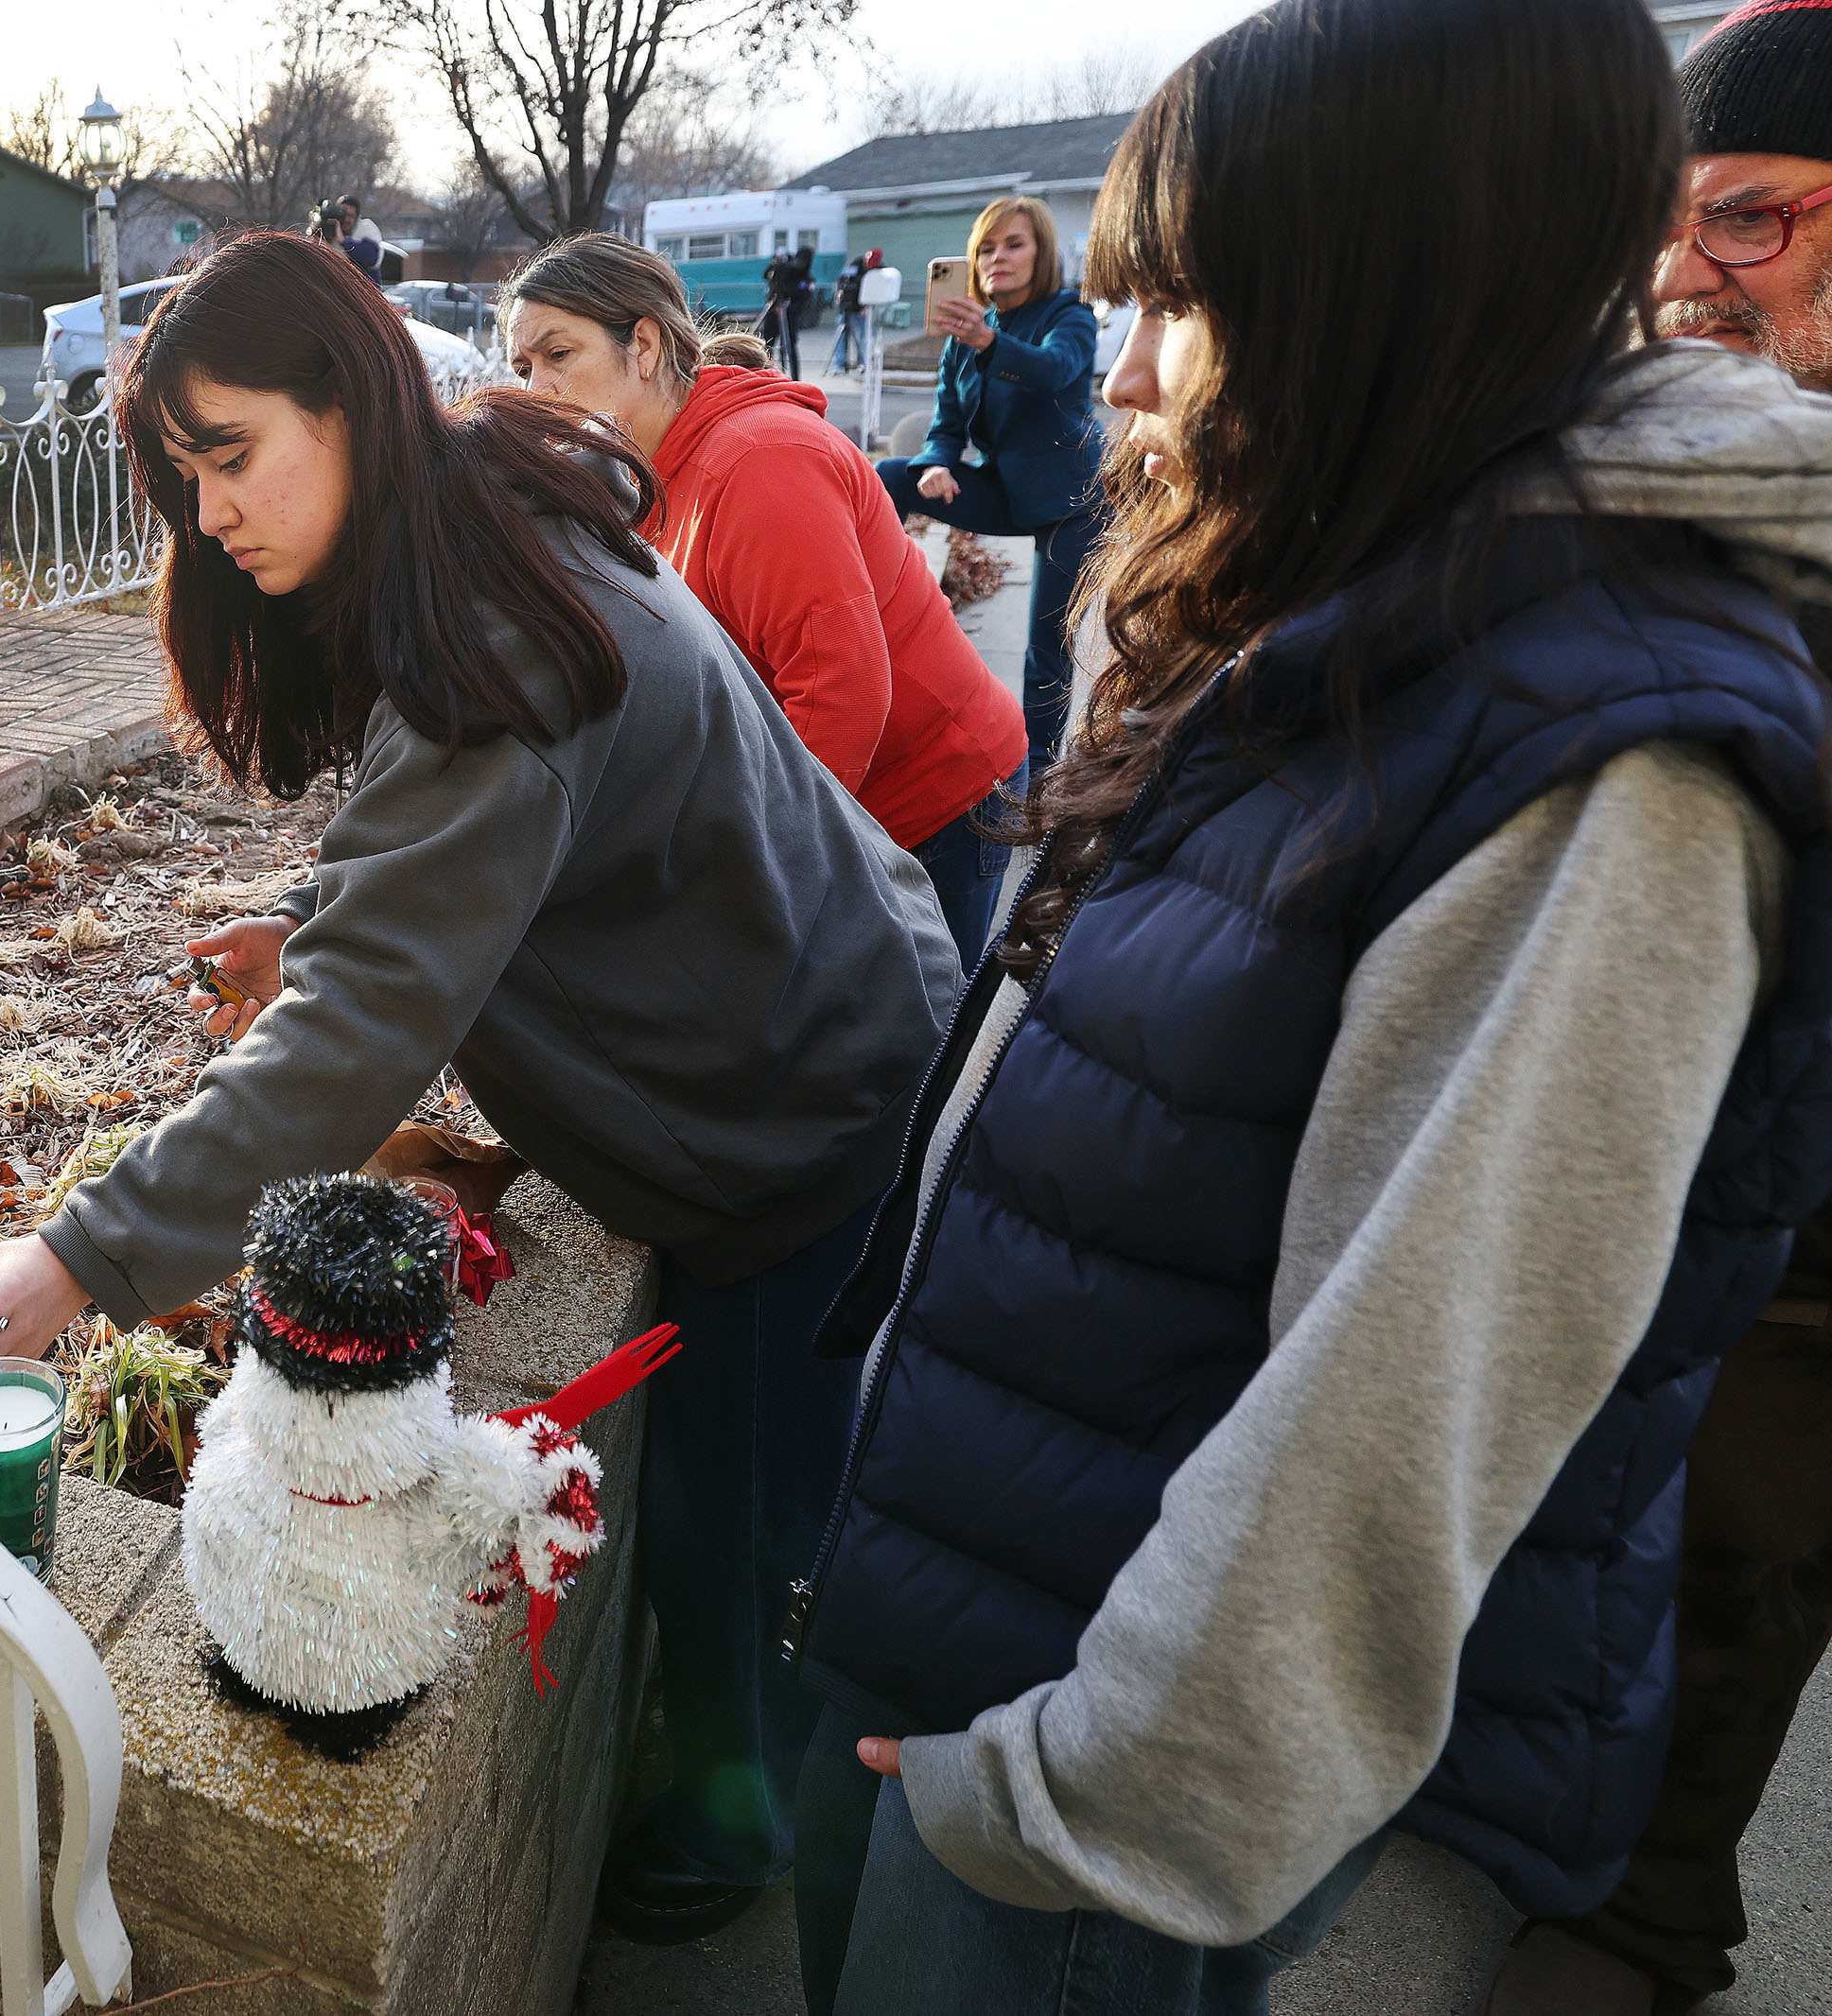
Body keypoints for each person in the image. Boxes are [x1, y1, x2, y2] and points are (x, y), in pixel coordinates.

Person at [785, 4, 1832, 2015]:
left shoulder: (1610, 755)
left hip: (1103, 1793)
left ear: (1388, 285)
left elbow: (1404, 1408)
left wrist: (1076, 1797)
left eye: (1191, 298)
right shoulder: (1334, 591)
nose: (1137, 365)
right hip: (992, 1628)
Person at [0, 229, 963, 1945]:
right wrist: (317, 914)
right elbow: (449, 867)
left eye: (230, 455)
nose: (212, 515)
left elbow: (355, 1034)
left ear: (352, 398)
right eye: (183, 480)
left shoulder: (484, 644)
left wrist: (77, 1259)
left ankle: (747, 1821)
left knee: (738, 1502)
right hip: (809, 1011)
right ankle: (747, 1756)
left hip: (805, 1092)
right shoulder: (473, 504)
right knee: (731, 1473)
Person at [1487, 6, 1832, 2011]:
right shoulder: (1666, 482)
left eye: (1753, 225)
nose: (1692, 281)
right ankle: (1622, 1904)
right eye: (1668, 239)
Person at [504, 234, 1030, 958]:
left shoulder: (758, 461)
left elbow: (842, 694)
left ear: (647, 345)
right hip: (846, 802)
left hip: (931, 800)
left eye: (558, 356)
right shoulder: (644, 471)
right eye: (522, 368)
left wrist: (750, 878)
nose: (537, 392)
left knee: (915, 1061)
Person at [877, 196, 1103, 767]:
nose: (996, 258)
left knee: (1047, 650)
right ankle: (863, 601)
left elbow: (1056, 369)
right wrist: (934, 463)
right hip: (1004, 491)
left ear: (1041, 252)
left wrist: (990, 343)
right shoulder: (966, 333)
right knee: (886, 476)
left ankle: (1037, 774)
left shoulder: (1068, 314)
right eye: (986, 248)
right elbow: (946, 424)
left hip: (1068, 501)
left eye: (1014, 244)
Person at [759, 246, 807, 379]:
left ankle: (795, 378)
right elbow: (765, 275)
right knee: (767, 344)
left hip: (788, 314)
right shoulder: (774, 268)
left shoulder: (793, 271)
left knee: (790, 347)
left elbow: (801, 293)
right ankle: (765, 375)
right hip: (773, 309)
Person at [829, 255, 868, 375]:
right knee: (841, 336)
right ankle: (838, 365)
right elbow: (842, 280)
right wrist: (840, 290)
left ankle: (864, 363)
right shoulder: (854, 265)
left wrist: (866, 306)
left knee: (865, 338)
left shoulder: (876, 271)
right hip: (847, 309)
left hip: (862, 309)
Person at [338, 196, 384, 282]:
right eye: (343, 214)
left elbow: (371, 257)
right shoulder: (330, 229)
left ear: (357, 217)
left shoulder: (366, 227)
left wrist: (344, 242)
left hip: (365, 289)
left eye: (350, 215)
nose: (346, 219)